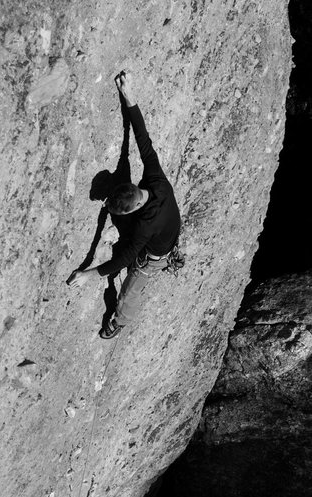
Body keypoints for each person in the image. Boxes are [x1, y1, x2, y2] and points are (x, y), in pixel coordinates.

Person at [69, 71, 181, 339]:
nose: (107, 207)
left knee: (131, 289)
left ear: (131, 210)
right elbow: (143, 140)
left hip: (156, 255)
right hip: (168, 226)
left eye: (114, 208)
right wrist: (130, 98)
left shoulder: (144, 226)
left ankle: (119, 322)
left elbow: (124, 259)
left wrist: (88, 273)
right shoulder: (155, 179)